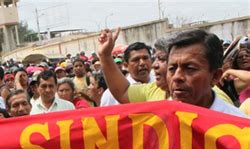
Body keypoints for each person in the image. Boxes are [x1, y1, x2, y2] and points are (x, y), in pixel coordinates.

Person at [98, 29, 235, 108]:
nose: (177, 76)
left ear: (215, 76)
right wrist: (104, 56)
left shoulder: (234, 122)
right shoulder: (154, 90)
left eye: (190, 68)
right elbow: (122, 91)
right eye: (172, 67)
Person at [100, 42, 154, 106]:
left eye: (145, 58)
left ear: (152, 61)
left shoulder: (162, 85)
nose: (142, 63)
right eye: (136, 60)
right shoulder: (111, 95)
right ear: (126, 65)